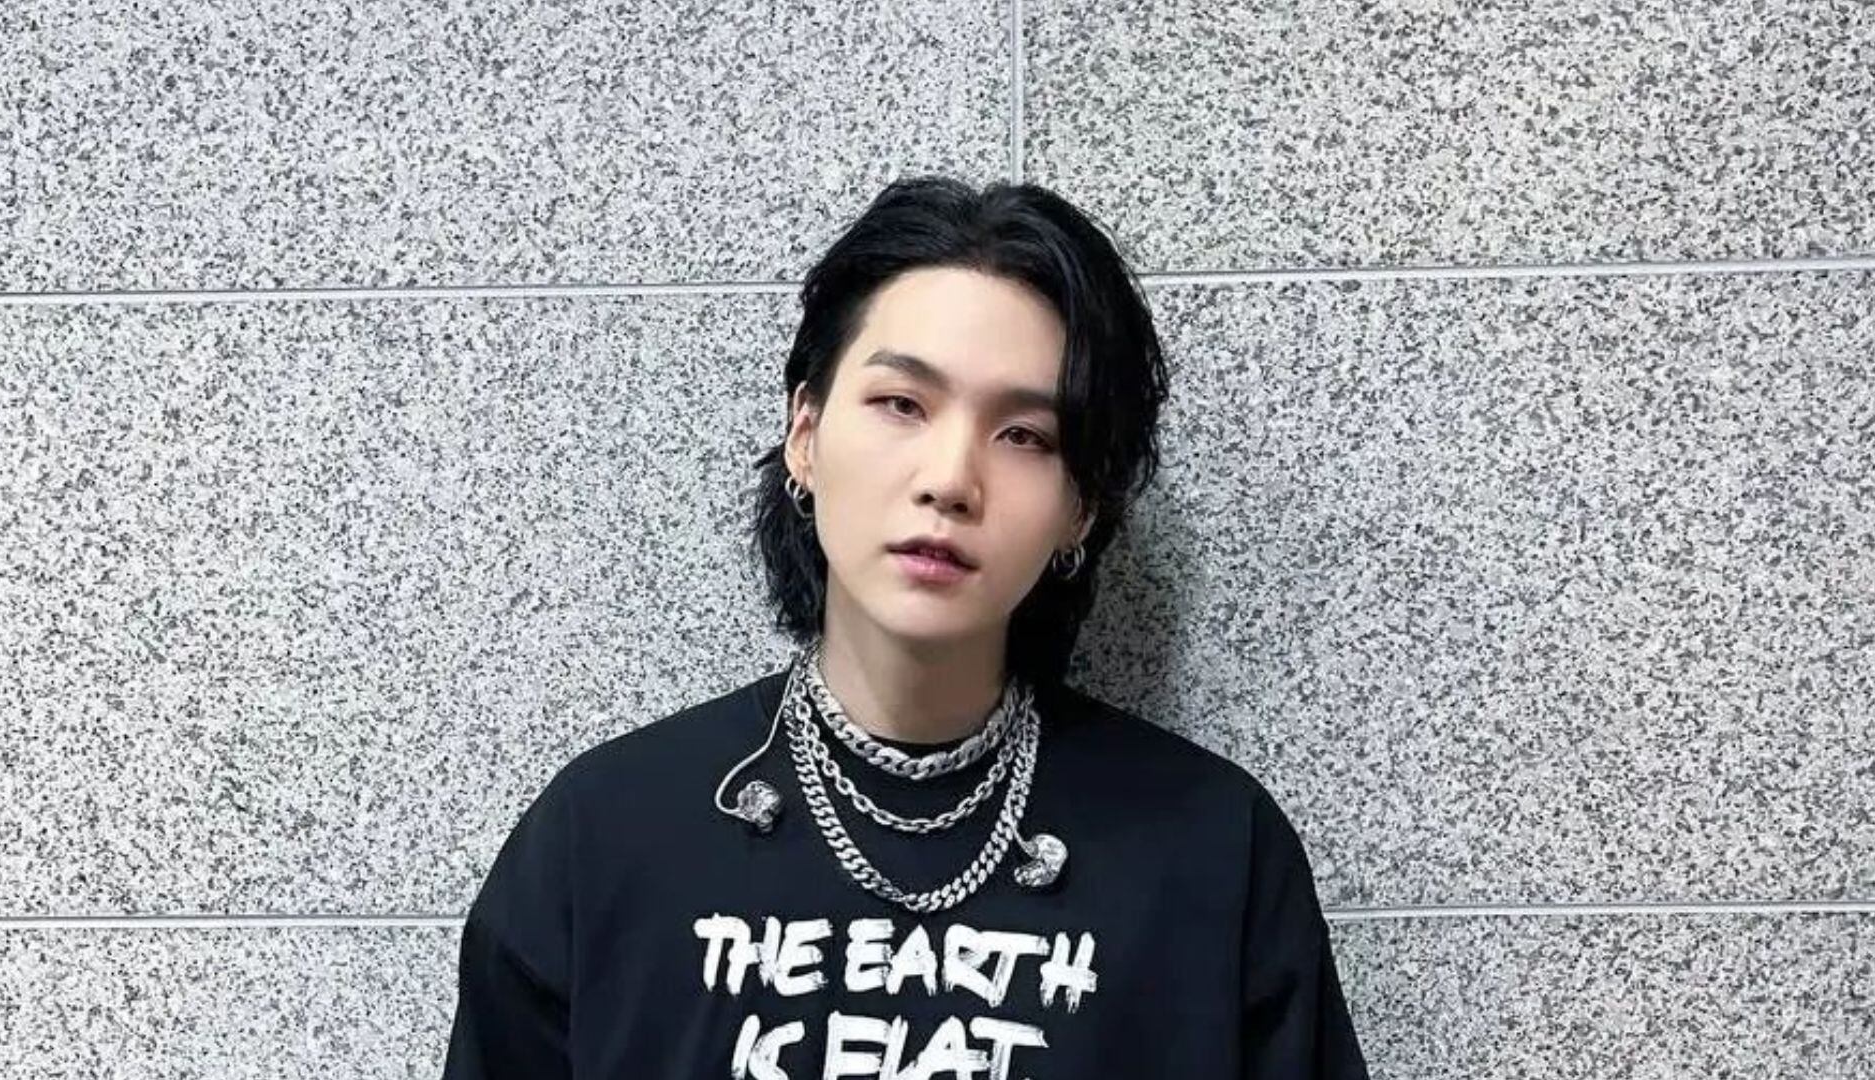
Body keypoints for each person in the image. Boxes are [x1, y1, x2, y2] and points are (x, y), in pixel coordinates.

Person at [441, 175, 1369, 1078]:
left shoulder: (1212, 850)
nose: (950, 478)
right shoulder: (606, 834)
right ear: (805, 434)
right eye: (901, 404)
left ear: (1081, 509)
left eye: (1026, 435)